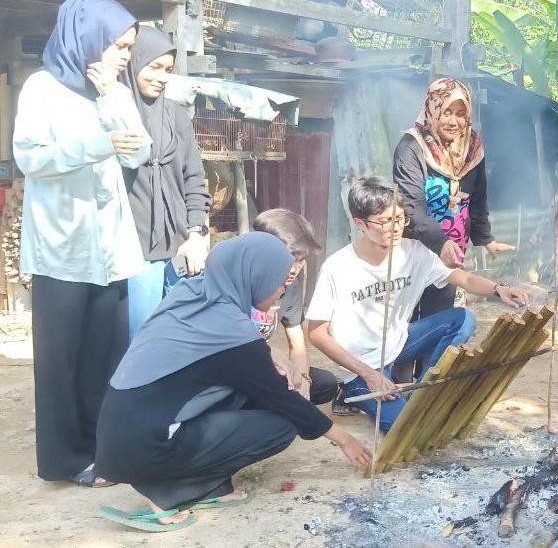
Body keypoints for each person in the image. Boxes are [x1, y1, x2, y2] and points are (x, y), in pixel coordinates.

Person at [94, 233, 372, 532]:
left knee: (286, 390)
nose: (282, 289)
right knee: (281, 426)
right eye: (278, 281)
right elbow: (281, 398)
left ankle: (211, 485)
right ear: (254, 276)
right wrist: (344, 438)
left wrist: (268, 350)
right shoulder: (229, 330)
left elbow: (242, 363)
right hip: (147, 446)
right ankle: (168, 491)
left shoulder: (192, 292)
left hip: (121, 436)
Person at [13, 0, 151, 487]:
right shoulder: (42, 88)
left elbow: (141, 153)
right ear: (86, 37)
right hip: (62, 249)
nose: (124, 55)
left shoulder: (110, 90)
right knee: (61, 360)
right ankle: (65, 460)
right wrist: (99, 144)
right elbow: (29, 157)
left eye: (129, 47)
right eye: (118, 45)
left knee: (107, 355)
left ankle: (103, 449)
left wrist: (115, 98)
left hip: (110, 249)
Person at [307, 178, 528, 433]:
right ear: (360, 224)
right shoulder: (337, 267)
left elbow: (462, 277)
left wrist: (499, 289)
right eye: (385, 221)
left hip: (399, 344)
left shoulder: (414, 252)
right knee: (405, 426)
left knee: (464, 319)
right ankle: (350, 391)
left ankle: (421, 392)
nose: (396, 227)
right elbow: (316, 334)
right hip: (361, 366)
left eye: (400, 218)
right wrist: (368, 374)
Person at [392, 77, 514, 321]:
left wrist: (485, 238)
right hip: (414, 251)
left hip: (452, 254)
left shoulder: (472, 147)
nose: (453, 121)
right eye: (446, 112)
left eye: (460, 113)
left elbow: (478, 197)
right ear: (433, 108)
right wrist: (441, 242)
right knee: (405, 324)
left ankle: (430, 362)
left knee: (438, 320)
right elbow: (411, 207)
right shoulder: (412, 147)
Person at [122, 26, 212, 337]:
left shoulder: (176, 116)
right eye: (155, 67)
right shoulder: (116, 115)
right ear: (133, 63)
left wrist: (197, 232)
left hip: (179, 248)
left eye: (168, 70)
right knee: (140, 338)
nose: (162, 77)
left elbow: (194, 178)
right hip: (132, 252)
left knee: (178, 336)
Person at [250, 209, 342, 408]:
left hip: (267, 367)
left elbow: (297, 343)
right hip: (236, 368)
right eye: (290, 260)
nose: (295, 268)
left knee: (325, 384)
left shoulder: (290, 285)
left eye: (301, 260)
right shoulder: (240, 280)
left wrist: (303, 383)